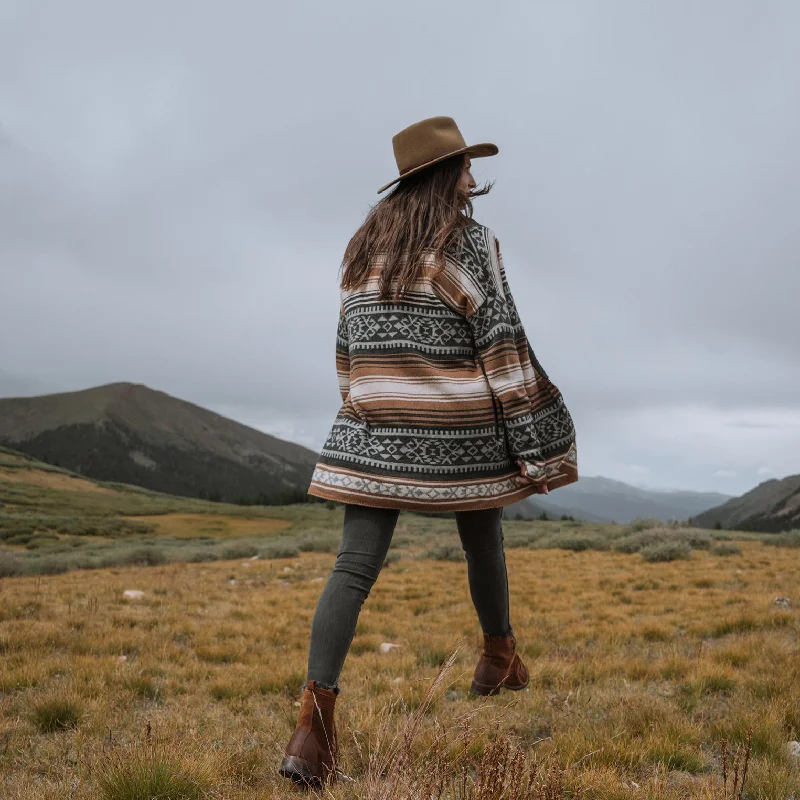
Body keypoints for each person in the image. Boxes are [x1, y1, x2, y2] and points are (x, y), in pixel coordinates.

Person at [279, 116, 578, 788]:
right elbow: (500, 340)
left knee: (352, 569)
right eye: (466, 166)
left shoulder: (364, 244)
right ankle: (497, 654)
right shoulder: (469, 242)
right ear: (447, 176)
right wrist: (533, 436)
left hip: (375, 427)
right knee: (482, 536)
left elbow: (346, 348)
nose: (474, 177)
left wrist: (364, 410)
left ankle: (312, 730)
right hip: (461, 432)